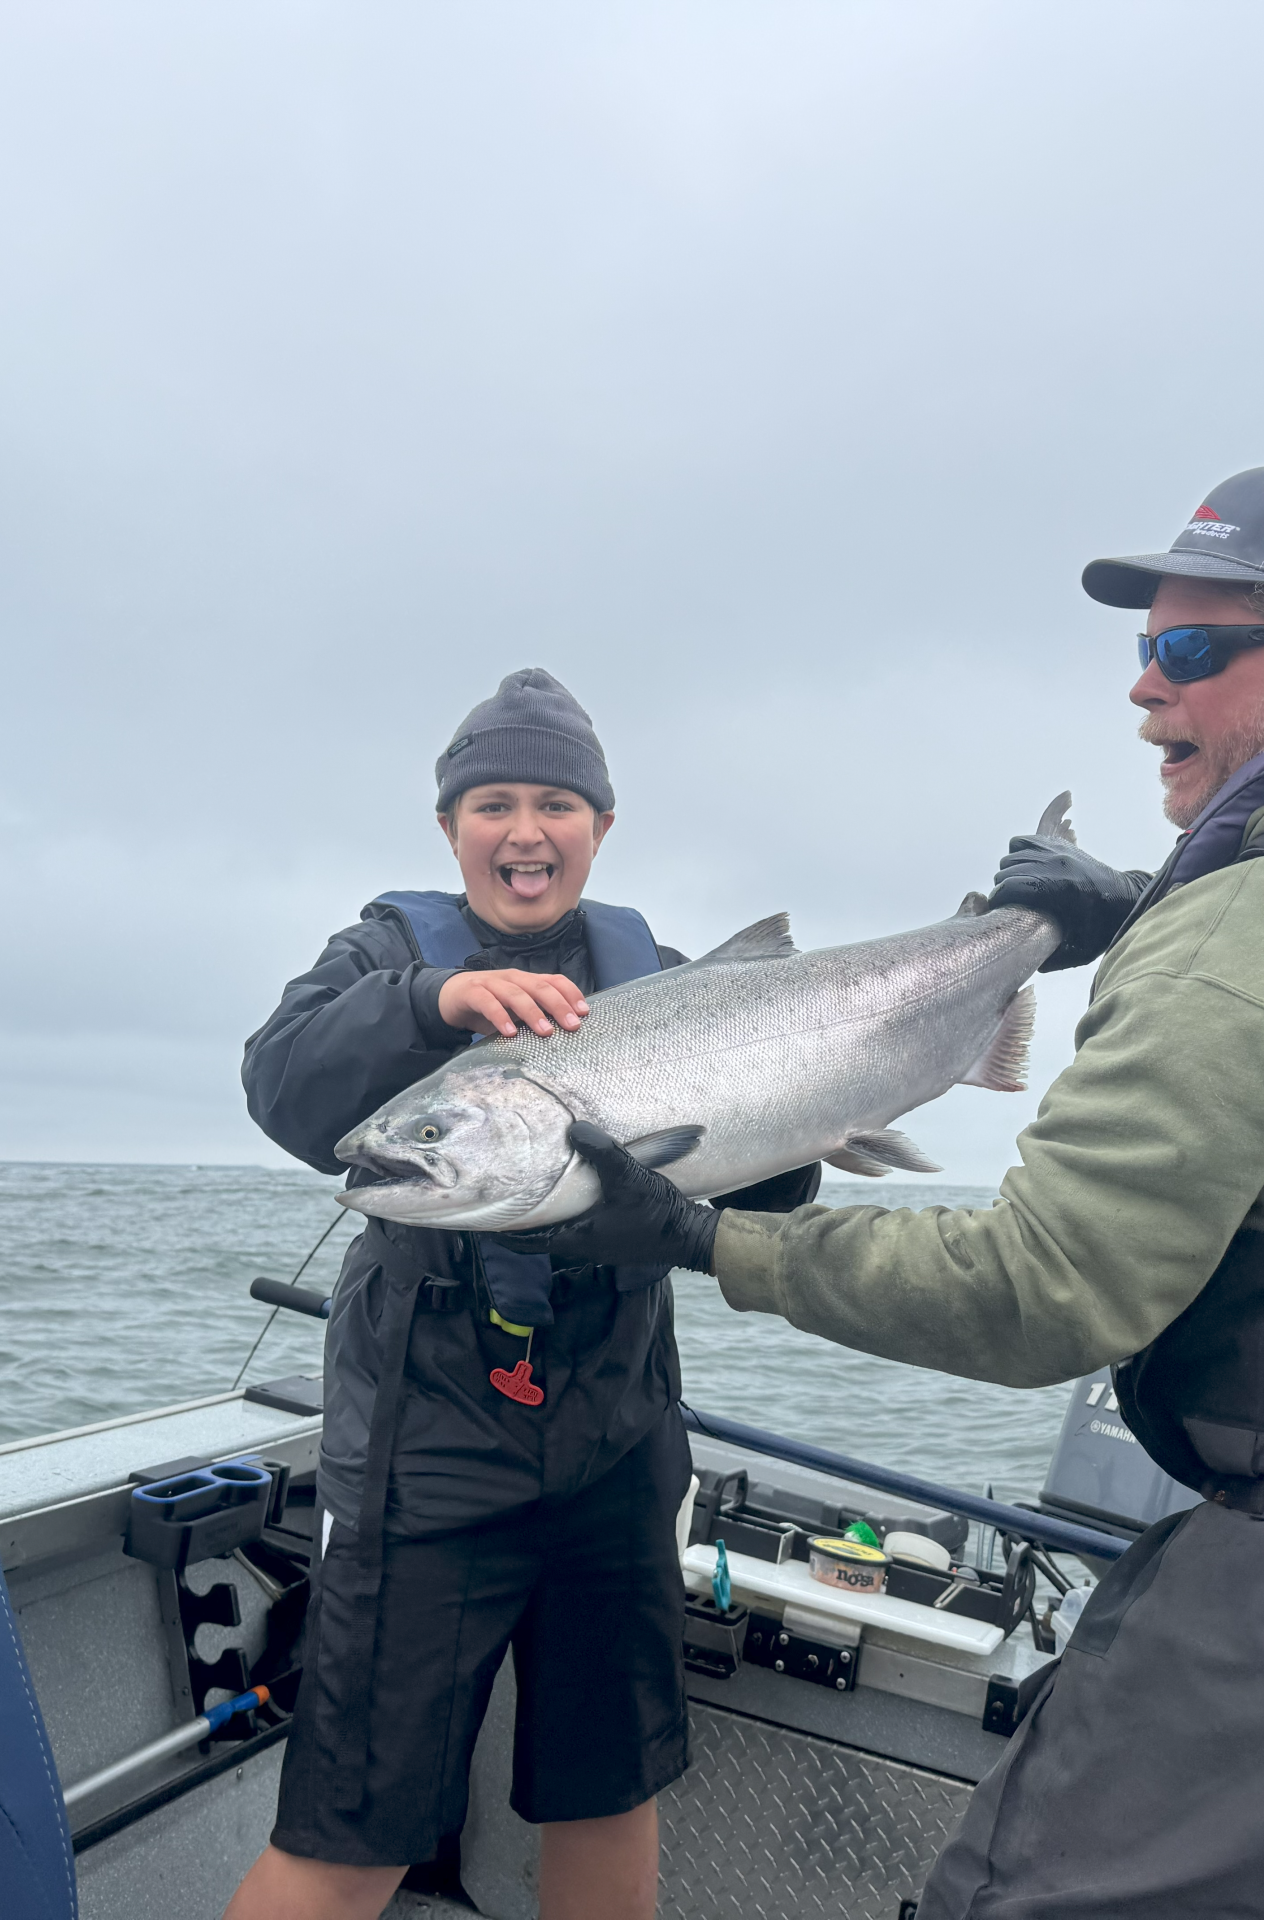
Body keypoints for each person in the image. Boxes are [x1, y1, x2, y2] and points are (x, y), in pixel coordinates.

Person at [526, 468, 1264, 1917]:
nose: (1146, 690)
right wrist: (1146, 906)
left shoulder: (1253, 929)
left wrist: (710, 1238)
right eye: (1143, 650)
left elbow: (1044, 1296)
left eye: (1193, 653)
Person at [229, 668, 818, 1920]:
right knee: (354, 1824)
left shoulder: (655, 968)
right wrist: (427, 1004)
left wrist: (819, 1105)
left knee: (608, 1794)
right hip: (425, 1456)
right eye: (491, 803)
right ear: (450, 830)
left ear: (600, 827)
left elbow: (767, 1194)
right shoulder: (386, 951)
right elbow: (283, 1088)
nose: (524, 830)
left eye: (556, 802)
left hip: (616, 1444)